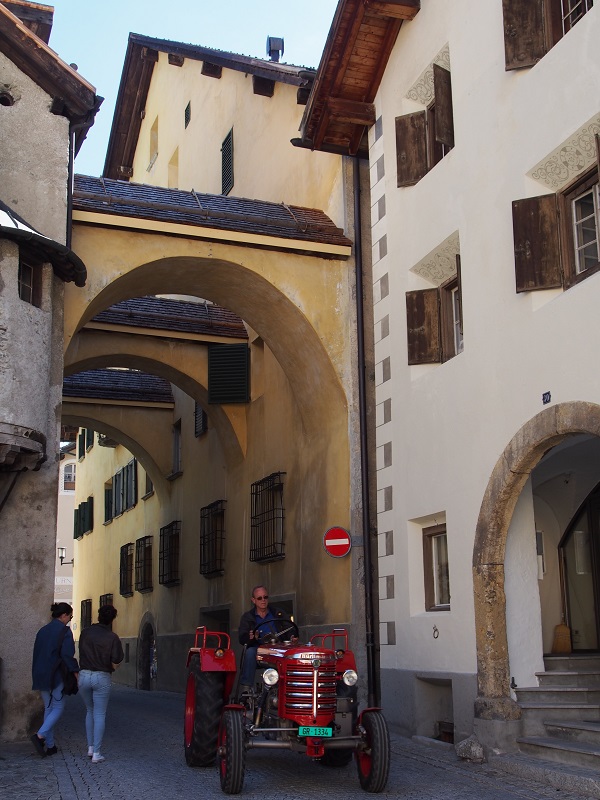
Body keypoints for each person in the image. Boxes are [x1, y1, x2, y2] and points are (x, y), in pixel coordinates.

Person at [31, 602, 79, 757]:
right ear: (64, 615)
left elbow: (37, 653)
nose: (70, 619)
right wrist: (75, 673)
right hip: (56, 675)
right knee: (58, 707)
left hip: (41, 674)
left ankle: (50, 745)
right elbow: (67, 655)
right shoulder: (64, 631)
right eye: (70, 616)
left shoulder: (42, 630)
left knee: (49, 708)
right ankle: (39, 736)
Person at [78, 604, 124, 763]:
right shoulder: (112, 637)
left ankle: (90, 747)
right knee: (99, 714)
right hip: (101, 676)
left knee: (89, 711)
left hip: (84, 675)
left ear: (98, 616)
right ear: (112, 619)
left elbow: (81, 651)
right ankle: (97, 753)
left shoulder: (85, 633)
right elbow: (117, 658)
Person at [238, 585, 294, 691]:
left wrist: (292, 636)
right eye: (259, 598)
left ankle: (291, 688)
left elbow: (290, 628)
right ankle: (246, 689)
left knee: (293, 654)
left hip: (278, 648)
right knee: (250, 652)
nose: (263, 600)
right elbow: (242, 638)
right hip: (259, 650)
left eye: (265, 597)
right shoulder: (247, 617)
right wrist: (251, 637)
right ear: (253, 600)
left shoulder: (278, 613)